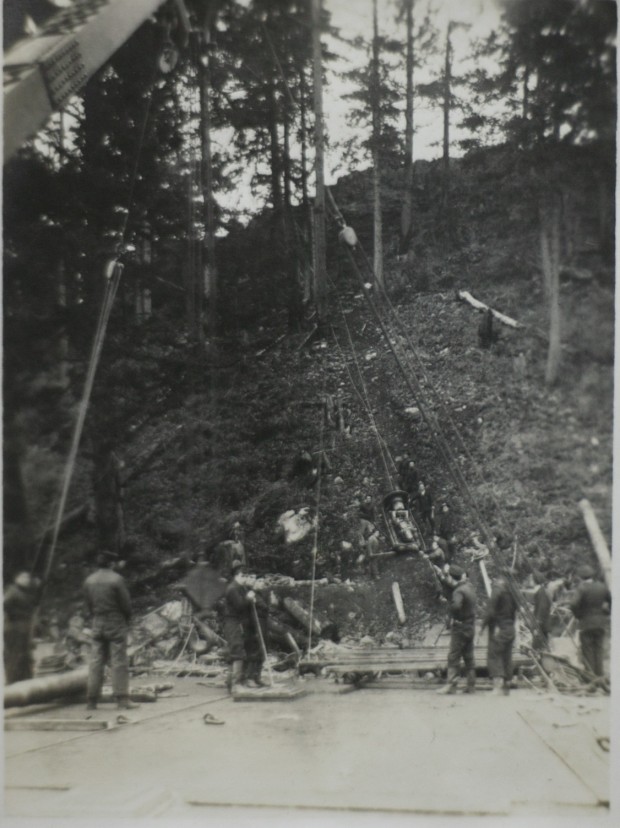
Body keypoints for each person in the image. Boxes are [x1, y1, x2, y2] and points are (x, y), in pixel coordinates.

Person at [83, 550, 136, 710]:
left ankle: (91, 700)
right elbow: (126, 605)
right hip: (115, 621)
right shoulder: (117, 580)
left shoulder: (89, 580)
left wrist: (95, 616)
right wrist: (127, 620)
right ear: (112, 563)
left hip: (97, 621)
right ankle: (122, 699)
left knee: (96, 661)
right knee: (119, 660)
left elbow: (88, 605)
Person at [437, 565, 477, 695]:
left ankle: (451, 686)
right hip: (470, 625)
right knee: (469, 656)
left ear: (451, 577)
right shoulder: (469, 586)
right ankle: (471, 686)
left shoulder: (458, 592)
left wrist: (448, 605)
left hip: (460, 627)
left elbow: (456, 606)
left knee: (453, 656)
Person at [569, 565, 611, 677]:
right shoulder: (602, 587)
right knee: (599, 650)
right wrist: (607, 613)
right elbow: (612, 601)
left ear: (581, 577)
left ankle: (590, 678)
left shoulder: (582, 588)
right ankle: (600, 677)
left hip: (586, 622)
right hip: (601, 623)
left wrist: (578, 615)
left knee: (588, 651)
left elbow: (573, 604)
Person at [481, 574, 518, 695]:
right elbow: (515, 611)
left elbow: (490, 610)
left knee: (494, 654)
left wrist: (483, 625)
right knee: (507, 655)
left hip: (499, 627)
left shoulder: (497, 590)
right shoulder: (512, 591)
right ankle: (507, 684)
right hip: (510, 627)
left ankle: (497, 685)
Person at [4, 571, 42, 684]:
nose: (27, 579)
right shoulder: (13, 591)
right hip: (15, 627)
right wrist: (14, 616)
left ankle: (24, 679)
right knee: (15, 656)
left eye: (28, 577)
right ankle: (13, 681)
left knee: (25, 655)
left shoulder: (24, 592)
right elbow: (5, 605)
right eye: (24, 577)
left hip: (23, 627)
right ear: (17, 578)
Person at [223, 561, 255, 692]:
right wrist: (248, 598)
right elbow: (240, 606)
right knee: (237, 650)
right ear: (237, 575)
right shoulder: (232, 588)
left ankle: (231, 682)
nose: (246, 579)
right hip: (232, 622)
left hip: (238, 622)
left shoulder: (240, 588)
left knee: (238, 649)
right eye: (244, 576)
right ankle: (236, 685)